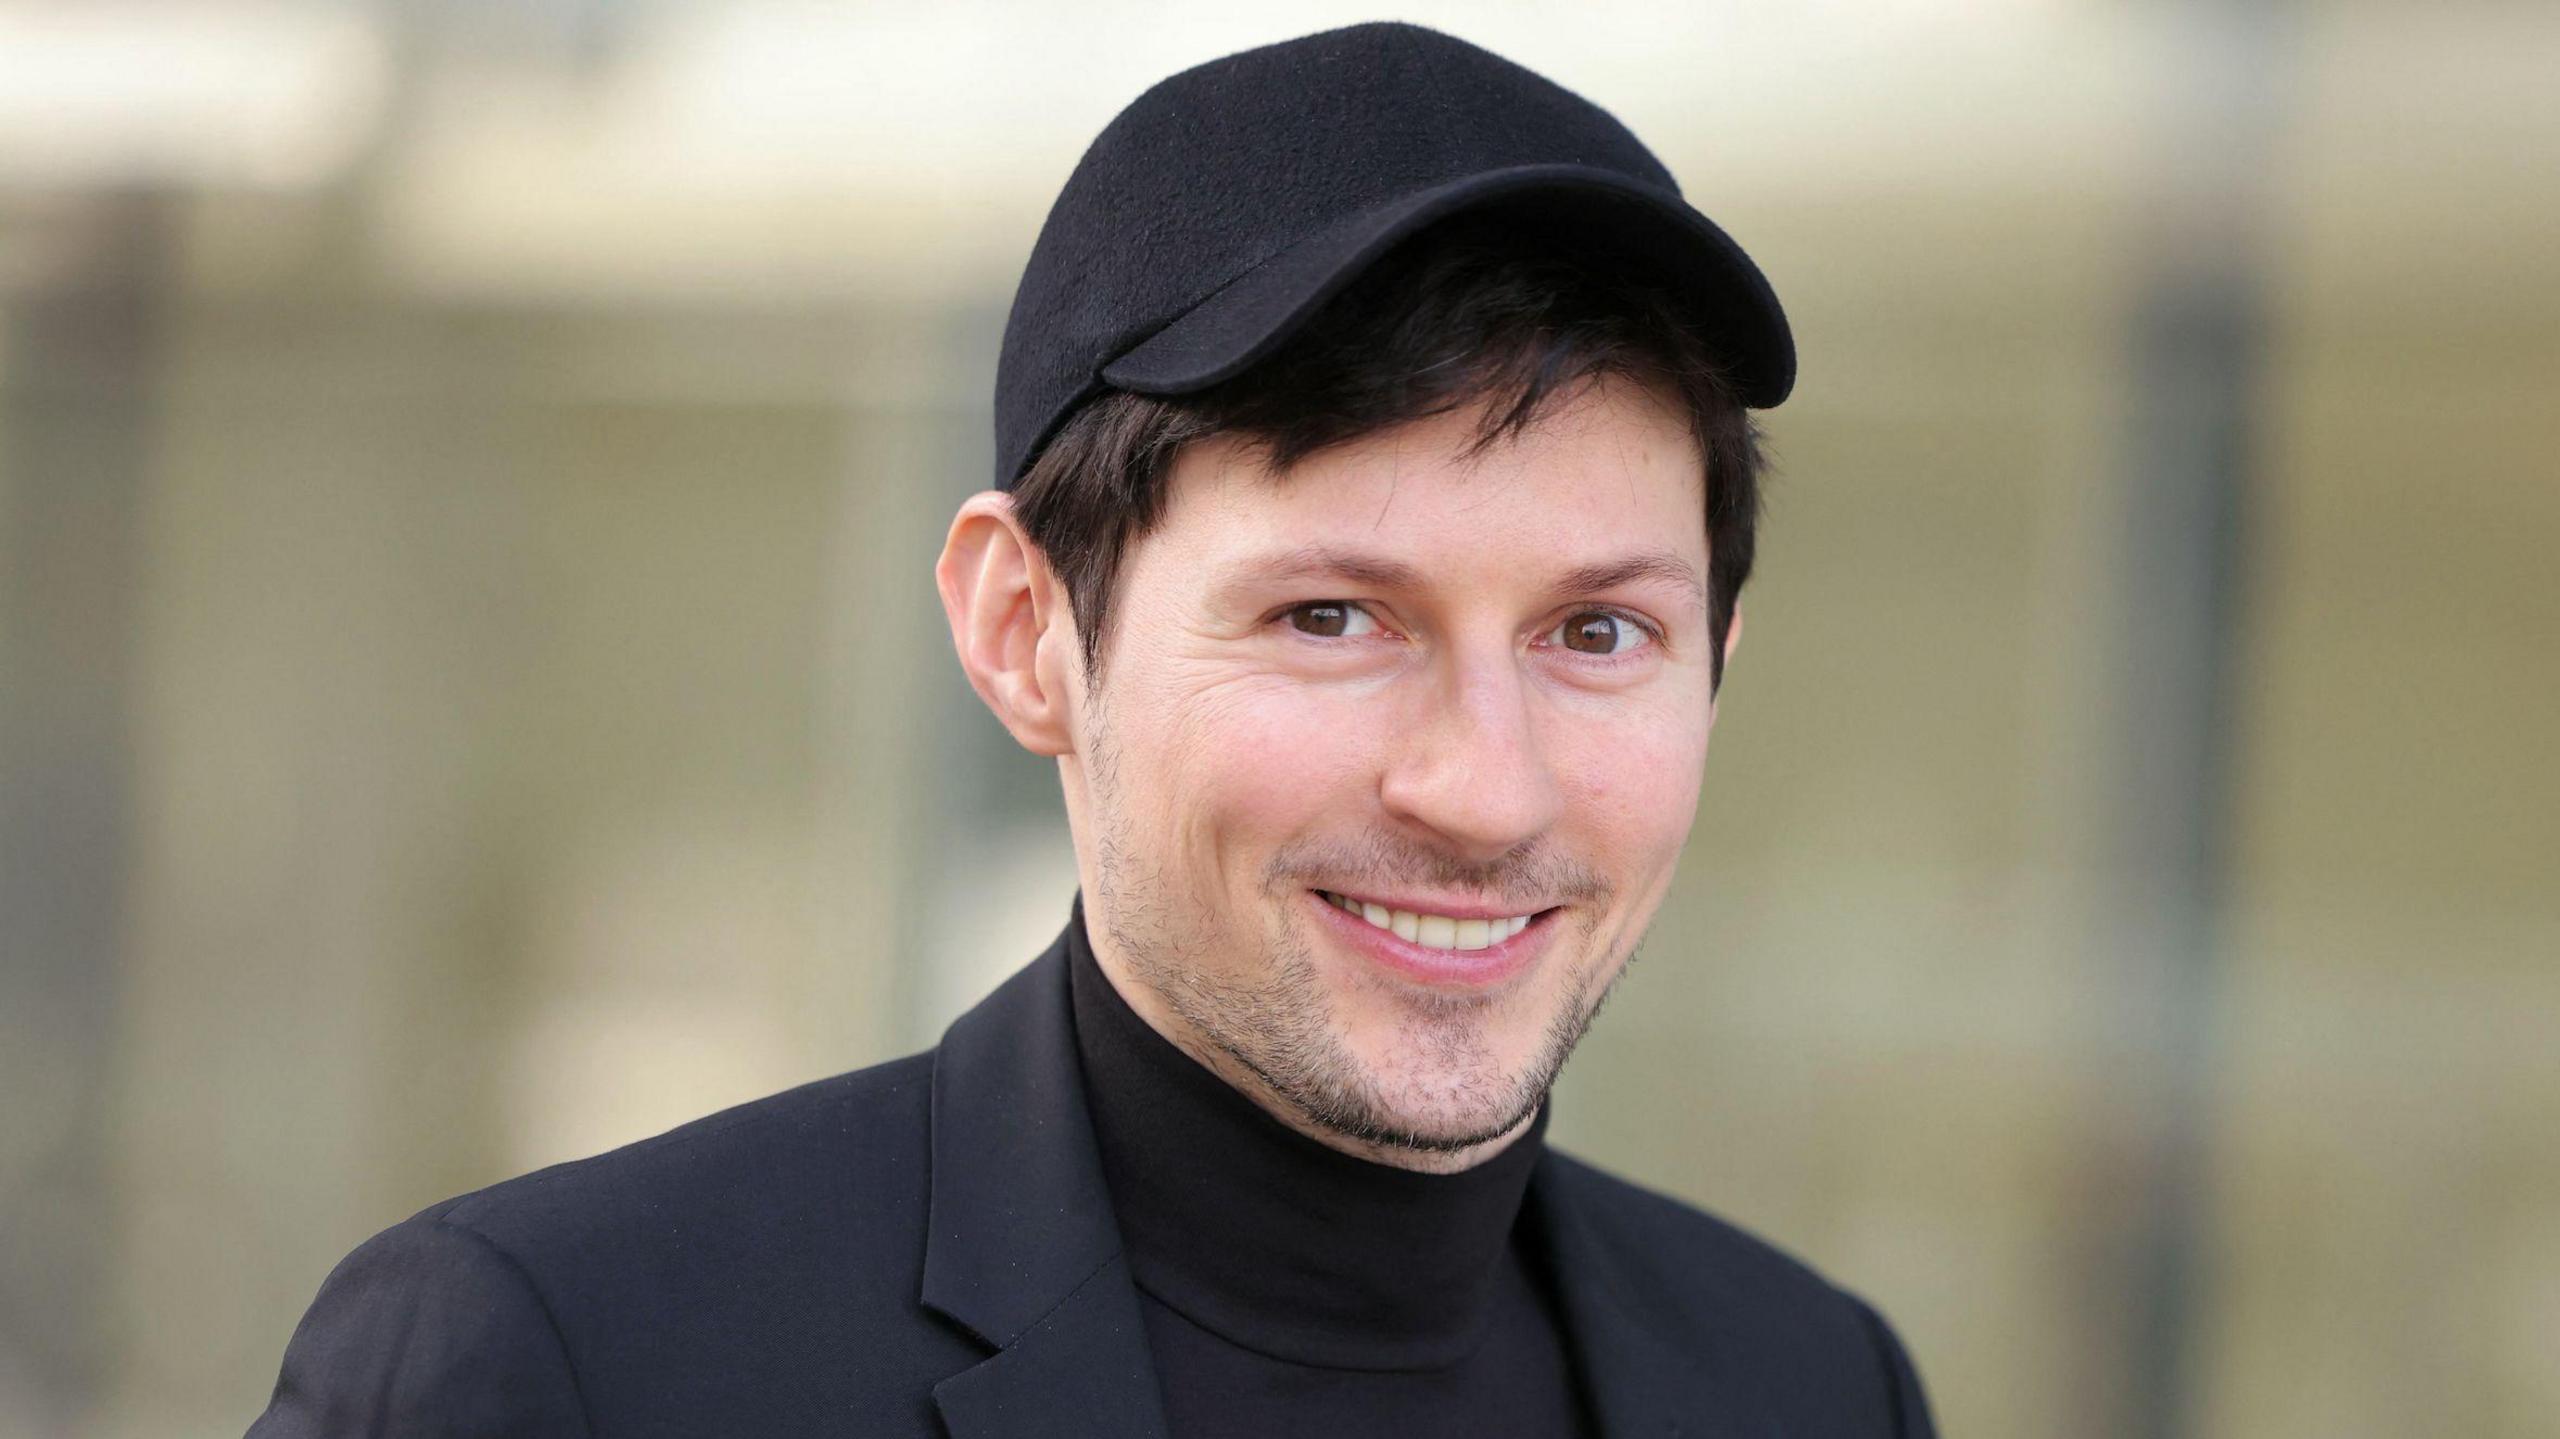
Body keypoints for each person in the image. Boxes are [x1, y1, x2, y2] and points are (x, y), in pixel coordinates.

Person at [247, 21, 1935, 1438]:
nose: (1485, 789)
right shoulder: (568, 1366)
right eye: (1332, 617)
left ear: (1717, 653)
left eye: (1595, 632)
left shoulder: (1813, 1385)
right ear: (1021, 632)